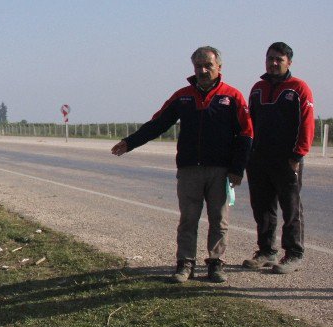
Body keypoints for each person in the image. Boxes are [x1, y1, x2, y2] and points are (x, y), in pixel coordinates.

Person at [112, 46, 253, 283]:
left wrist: (237, 169)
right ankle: (184, 263)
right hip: (189, 170)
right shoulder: (182, 96)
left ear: (219, 67)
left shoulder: (233, 97)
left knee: (219, 219)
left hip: (220, 171)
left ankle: (215, 264)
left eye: (208, 65)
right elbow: (158, 124)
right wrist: (130, 142)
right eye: (198, 65)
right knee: (188, 218)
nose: (203, 70)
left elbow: (246, 134)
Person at [242, 42, 315, 274]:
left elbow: (307, 123)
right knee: (262, 207)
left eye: (279, 60)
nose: (273, 63)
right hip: (259, 159)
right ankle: (266, 251)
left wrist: (298, 154)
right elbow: (248, 123)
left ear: (288, 63)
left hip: (286, 160)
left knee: (290, 207)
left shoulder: (298, 88)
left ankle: (294, 254)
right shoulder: (257, 88)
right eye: (270, 58)